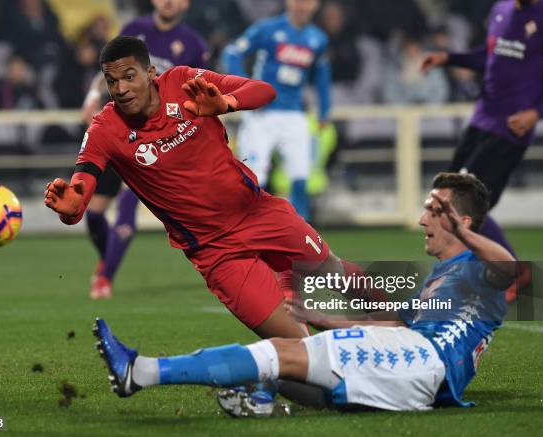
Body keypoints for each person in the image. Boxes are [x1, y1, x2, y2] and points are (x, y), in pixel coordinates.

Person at [92, 172, 516, 415]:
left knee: (280, 353)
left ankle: (141, 372)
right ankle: (260, 399)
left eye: (434, 209)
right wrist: (322, 317)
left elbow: (510, 270)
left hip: (422, 362)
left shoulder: (479, 271)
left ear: (461, 221)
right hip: (411, 357)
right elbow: (392, 323)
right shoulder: (440, 279)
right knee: (288, 360)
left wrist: (463, 234)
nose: (424, 216)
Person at [45, 36, 378, 342]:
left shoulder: (182, 82)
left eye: (129, 76)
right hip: (215, 252)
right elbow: (80, 190)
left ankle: (407, 328)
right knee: (299, 347)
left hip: (258, 212)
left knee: (335, 274)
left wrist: (226, 104)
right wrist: (72, 206)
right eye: (112, 81)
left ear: (150, 72)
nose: (120, 88)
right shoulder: (105, 129)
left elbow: (262, 90)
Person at [80, 0, 209, 299]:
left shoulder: (194, 45)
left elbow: (197, 91)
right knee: (94, 213)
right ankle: (107, 257)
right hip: (120, 127)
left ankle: (104, 278)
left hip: (159, 134)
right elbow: (109, 72)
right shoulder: (133, 31)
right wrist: (91, 95)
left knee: (130, 198)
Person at [421, 0, 542, 302]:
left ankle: (511, 270)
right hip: (482, 118)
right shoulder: (501, 8)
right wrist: (448, 57)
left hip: (511, 127)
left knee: (469, 203)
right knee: (448, 192)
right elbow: (488, 56)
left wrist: (536, 113)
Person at [222, 0, 331, 221]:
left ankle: (303, 240)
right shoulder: (267, 29)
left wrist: (325, 109)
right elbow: (232, 52)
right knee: (254, 178)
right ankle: (249, 232)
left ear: (316, 5)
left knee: (301, 179)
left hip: (295, 116)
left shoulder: (318, 39)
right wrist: (243, 90)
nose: (302, 5)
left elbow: (322, 75)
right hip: (261, 115)